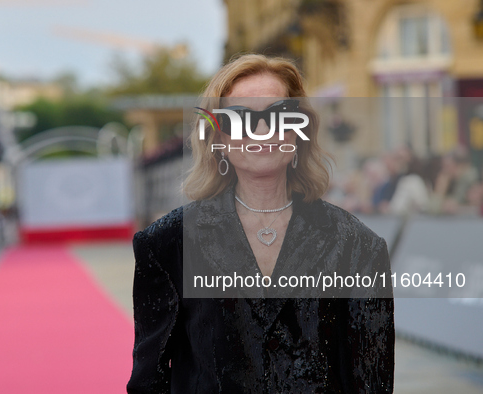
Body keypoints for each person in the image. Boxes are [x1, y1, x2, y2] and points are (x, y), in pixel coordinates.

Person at [127, 54, 394, 393]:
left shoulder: (359, 246)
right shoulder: (167, 244)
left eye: (279, 116)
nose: (263, 131)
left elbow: (372, 383)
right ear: (219, 140)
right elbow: (149, 380)